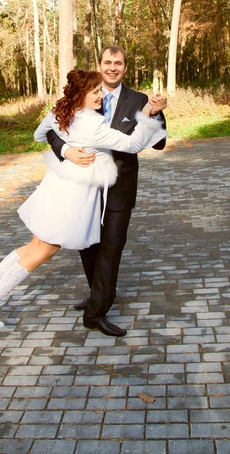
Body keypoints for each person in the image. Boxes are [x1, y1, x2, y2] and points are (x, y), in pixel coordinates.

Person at [0, 69, 166, 331]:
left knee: (34, 245)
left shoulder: (65, 112)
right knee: (42, 252)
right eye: (95, 91)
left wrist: (66, 148)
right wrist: (147, 115)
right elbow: (133, 145)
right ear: (81, 94)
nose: (100, 95)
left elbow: (40, 134)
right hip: (72, 196)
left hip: (57, 185)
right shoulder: (93, 125)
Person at [47, 45, 167, 337]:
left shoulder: (139, 100)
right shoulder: (83, 94)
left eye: (119, 63)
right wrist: (66, 150)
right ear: (99, 65)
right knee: (87, 246)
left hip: (120, 187)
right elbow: (52, 131)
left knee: (111, 248)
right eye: (108, 62)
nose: (113, 67)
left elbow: (160, 142)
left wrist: (157, 113)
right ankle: (99, 296)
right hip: (84, 186)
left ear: (125, 67)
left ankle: (96, 312)